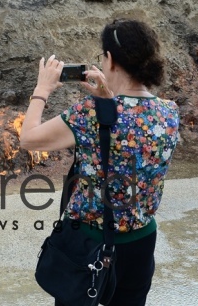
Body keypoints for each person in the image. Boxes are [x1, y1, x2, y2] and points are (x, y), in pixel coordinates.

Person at [19, 18, 180, 306]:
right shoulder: (169, 112)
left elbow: (29, 138)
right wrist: (107, 98)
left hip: (91, 244)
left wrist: (42, 89)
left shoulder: (89, 113)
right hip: (141, 242)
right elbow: (130, 136)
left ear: (109, 59)